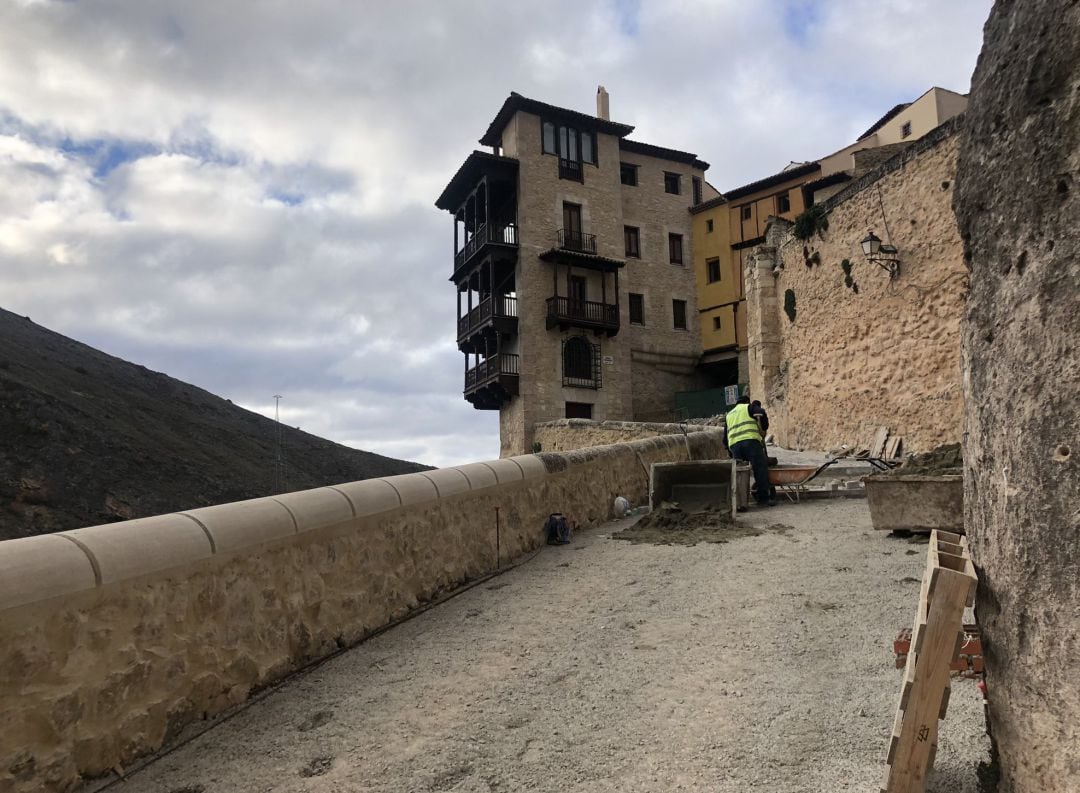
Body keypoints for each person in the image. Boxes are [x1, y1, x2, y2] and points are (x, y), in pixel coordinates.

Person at [725, 395, 777, 507]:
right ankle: (763, 499)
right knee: (760, 468)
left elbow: (725, 438)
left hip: (735, 446)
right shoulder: (748, 407)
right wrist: (764, 426)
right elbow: (761, 412)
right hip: (751, 443)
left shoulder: (729, 415)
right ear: (747, 402)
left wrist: (730, 452)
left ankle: (740, 501)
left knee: (740, 473)